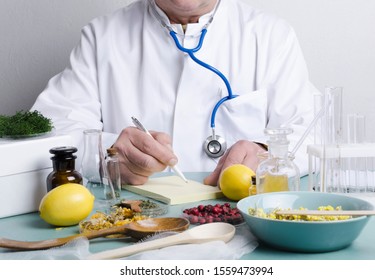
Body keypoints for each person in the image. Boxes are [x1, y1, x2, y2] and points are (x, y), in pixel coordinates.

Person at [31, 0, 319, 186]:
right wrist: (108, 157)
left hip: (240, 226)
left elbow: (311, 135)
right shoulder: (101, 37)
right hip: (133, 226)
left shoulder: (271, 36)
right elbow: (51, 135)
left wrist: (266, 154)